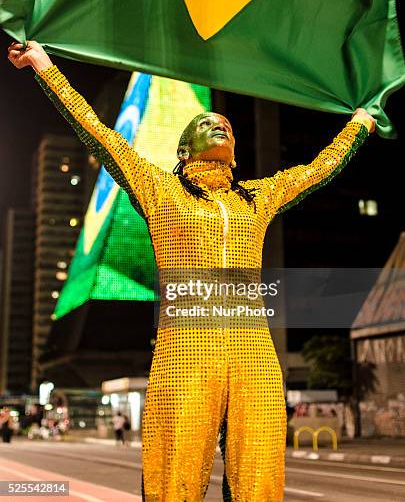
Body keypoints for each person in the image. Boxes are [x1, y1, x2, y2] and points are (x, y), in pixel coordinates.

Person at [8, 41, 375, 501]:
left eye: (224, 124)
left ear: (236, 152)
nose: (217, 123)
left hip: (254, 359)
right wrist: (45, 67)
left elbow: (318, 169)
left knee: (259, 486)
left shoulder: (258, 198)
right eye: (206, 122)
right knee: (172, 486)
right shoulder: (160, 191)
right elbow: (97, 133)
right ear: (183, 151)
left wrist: (360, 122)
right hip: (186, 356)